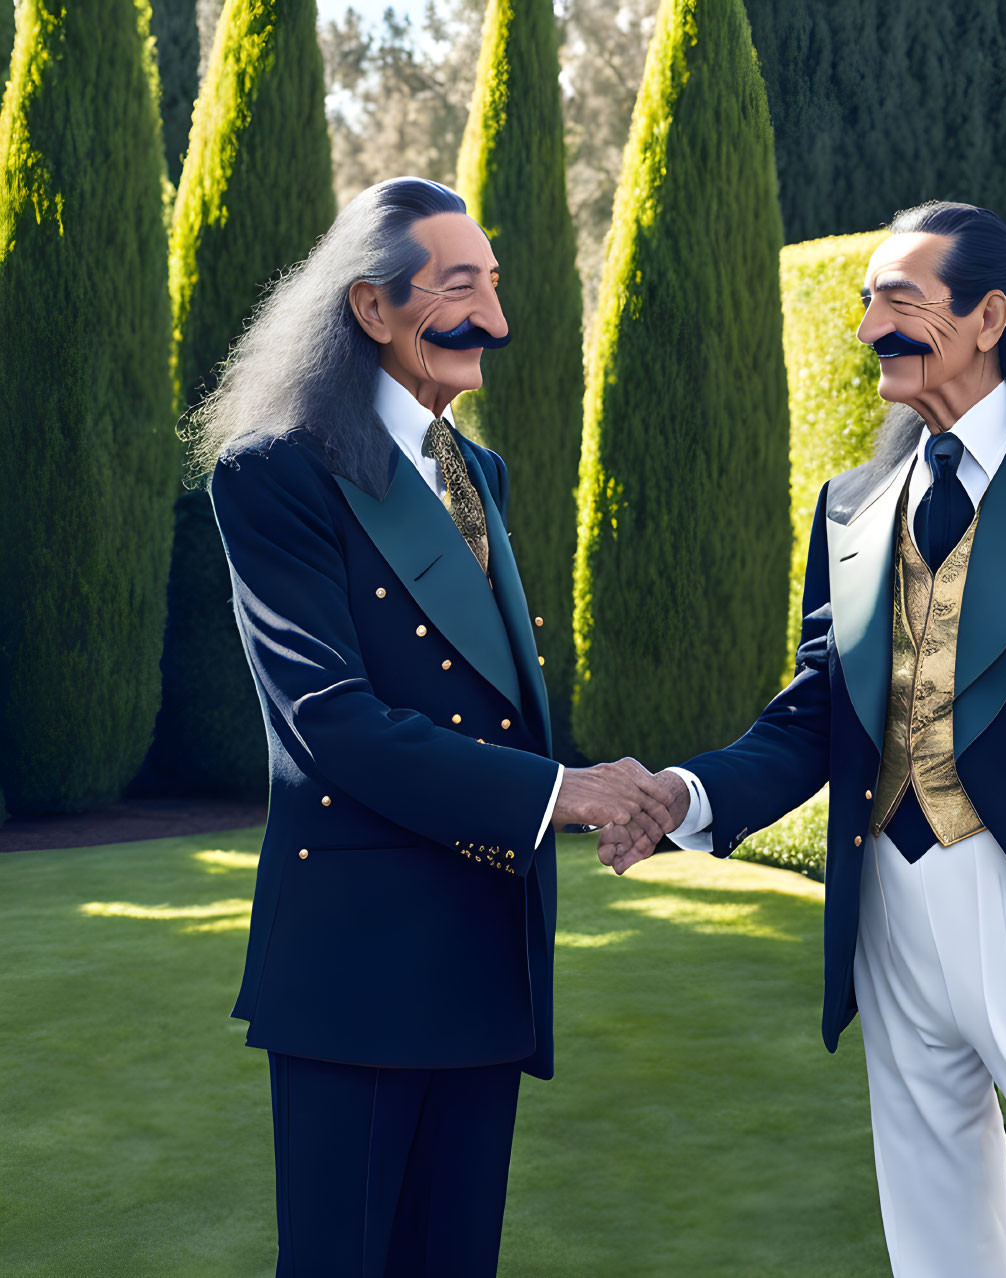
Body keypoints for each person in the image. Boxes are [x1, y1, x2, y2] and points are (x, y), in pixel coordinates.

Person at [606, 202, 1006, 1276]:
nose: (868, 329)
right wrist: (684, 793)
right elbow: (814, 712)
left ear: (989, 315)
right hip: (887, 910)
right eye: (865, 304)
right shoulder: (851, 506)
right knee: (934, 1239)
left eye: (900, 301)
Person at [196, 177, 674, 1277]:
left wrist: (593, 789)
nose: (495, 322)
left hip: (483, 947)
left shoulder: (477, 472)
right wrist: (562, 792)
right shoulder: (274, 475)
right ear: (371, 309)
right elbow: (332, 720)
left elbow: (491, 701)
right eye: (461, 288)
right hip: (360, 966)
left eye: (494, 288)